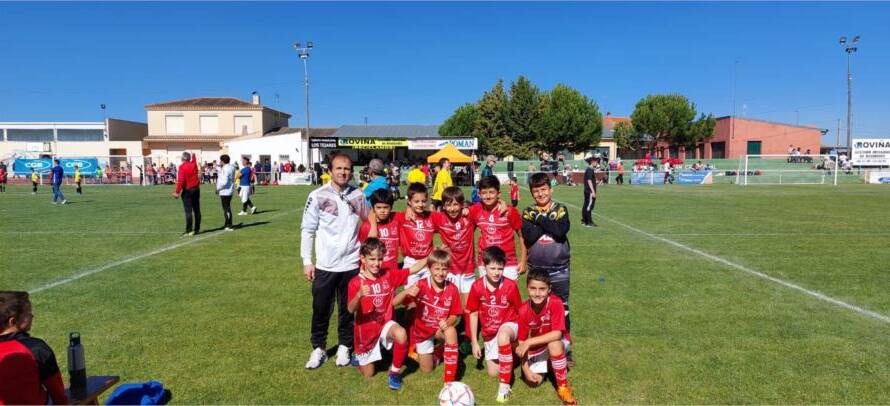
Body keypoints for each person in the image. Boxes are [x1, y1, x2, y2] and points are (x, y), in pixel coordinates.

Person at [301, 151, 369, 369]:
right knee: (321, 308)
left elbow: (370, 220)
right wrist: (307, 260)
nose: (343, 172)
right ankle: (318, 348)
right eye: (339, 168)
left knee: (348, 310)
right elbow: (307, 230)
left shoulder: (358, 195)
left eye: (347, 168)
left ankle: (344, 346)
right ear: (330, 170)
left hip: (351, 264)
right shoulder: (317, 196)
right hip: (325, 265)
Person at [346, 238, 428, 389]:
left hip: (385, 325)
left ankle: (395, 373)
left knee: (401, 333)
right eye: (372, 259)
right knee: (369, 374)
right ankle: (360, 355)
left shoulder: (388, 275)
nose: (376, 263)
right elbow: (350, 310)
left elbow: (412, 269)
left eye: (379, 259)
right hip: (366, 332)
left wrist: (429, 257)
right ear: (362, 258)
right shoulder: (356, 282)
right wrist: (359, 296)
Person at [522, 172, 574, 364]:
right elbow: (529, 236)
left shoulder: (561, 209)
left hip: (559, 268)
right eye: (536, 191)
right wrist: (548, 223)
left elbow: (560, 232)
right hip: (536, 269)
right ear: (532, 193)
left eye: (544, 190)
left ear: (550, 189)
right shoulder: (527, 211)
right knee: (537, 309)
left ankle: (565, 349)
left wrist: (541, 220)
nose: (541, 194)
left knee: (562, 309)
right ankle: (538, 349)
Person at [394, 249, 462, 384]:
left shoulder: (452, 289)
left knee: (451, 331)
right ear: (429, 268)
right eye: (436, 269)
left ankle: (449, 381)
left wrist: (448, 321)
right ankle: (438, 352)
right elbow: (394, 303)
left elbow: (455, 314)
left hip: (439, 329)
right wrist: (407, 292)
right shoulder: (421, 285)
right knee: (427, 369)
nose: (440, 273)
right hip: (422, 332)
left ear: (448, 270)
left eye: (444, 269)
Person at [466, 246, 523, 403]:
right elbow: (473, 313)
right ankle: (514, 355)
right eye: (492, 268)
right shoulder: (477, 287)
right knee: (493, 372)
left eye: (500, 268)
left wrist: (523, 338)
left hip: (510, 326)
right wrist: (474, 343)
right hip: (490, 333)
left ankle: (504, 387)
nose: (496, 272)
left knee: (504, 334)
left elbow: (521, 312)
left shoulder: (510, 286)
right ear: (484, 267)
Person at [516, 269, 576, 405]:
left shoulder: (556, 302)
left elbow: (557, 334)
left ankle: (563, 388)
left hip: (557, 343)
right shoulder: (523, 310)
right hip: (539, 348)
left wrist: (530, 341)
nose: (537, 293)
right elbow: (521, 344)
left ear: (549, 289)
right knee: (533, 383)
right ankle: (550, 365)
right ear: (527, 288)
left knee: (554, 344)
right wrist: (525, 370)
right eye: (533, 288)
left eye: (542, 289)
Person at [0, 291, 70, 405]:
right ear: (12, 321)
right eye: (27, 312)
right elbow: (58, 395)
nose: (32, 315)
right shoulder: (36, 349)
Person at [468, 175, 526, 281]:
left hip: (508, 263)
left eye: (491, 192)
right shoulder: (475, 210)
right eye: (484, 193)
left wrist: (523, 260)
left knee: (508, 296)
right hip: (485, 263)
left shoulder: (509, 211)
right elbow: (467, 232)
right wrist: (473, 257)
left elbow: (522, 236)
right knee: (488, 296)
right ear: (479, 194)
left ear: (498, 194)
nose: (488, 196)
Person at [430, 186, 476, 307]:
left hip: (468, 268)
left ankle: (468, 326)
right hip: (449, 269)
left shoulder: (469, 216)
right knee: (447, 305)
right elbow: (421, 218)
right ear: (443, 206)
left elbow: (484, 205)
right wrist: (434, 249)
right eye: (448, 205)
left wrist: (468, 208)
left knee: (468, 307)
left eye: (456, 204)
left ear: (461, 204)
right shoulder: (439, 218)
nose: (452, 209)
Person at [396, 182, 435, 287]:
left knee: (428, 295)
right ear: (409, 201)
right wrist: (408, 209)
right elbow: (379, 211)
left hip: (428, 262)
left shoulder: (432, 217)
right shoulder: (402, 217)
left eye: (423, 201)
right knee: (410, 298)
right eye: (416, 201)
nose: (420, 204)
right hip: (410, 262)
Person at [361, 189, 400, 272]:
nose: (382, 211)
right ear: (373, 208)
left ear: (391, 207)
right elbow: (361, 251)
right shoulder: (367, 226)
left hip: (392, 271)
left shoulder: (396, 222)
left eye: (386, 207)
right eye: (378, 207)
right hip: (373, 272)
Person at [172, 152, 200, 236]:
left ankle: (189, 230)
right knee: (196, 209)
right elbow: (194, 160)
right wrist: (194, 155)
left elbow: (181, 181)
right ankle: (197, 228)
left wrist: (177, 192)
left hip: (187, 190)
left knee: (188, 211)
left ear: (183, 158)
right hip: (196, 189)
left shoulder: (182, 167)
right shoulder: (193, 164)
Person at [216, 155, 235, 231]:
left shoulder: (226, 169)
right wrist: (219, 169)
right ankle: (227, 223)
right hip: (229, 190)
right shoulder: (230, 167)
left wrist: (218, 188)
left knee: (226, 208)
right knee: (227, 208)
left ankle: (229, 225)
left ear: (223, 161)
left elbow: (224, 181)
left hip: (225, 191)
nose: (220, 162)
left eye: (220, 161)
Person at [581, 157, 597, 227]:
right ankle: (589, 222)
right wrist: (593, 191)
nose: (597, 163)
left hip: (587, 191)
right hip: (589, 191)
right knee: (589, 207)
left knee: (586, 205)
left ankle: (584, 221)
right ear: (592, 162)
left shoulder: (589, 170)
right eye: (596, 162)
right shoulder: (590, 170)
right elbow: (589, 181)